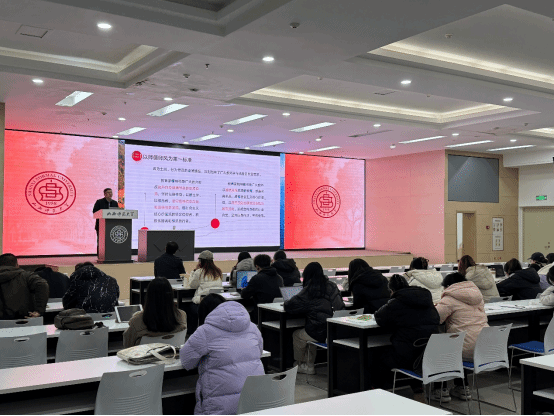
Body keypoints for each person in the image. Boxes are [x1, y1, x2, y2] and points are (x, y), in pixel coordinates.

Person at [180, 294, 264, 415]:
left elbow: (186, 361)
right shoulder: (252, 327)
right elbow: (259, 352)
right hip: (255, 402)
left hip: (220, 408)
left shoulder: (205, 331)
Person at [373, 275, 440, 391]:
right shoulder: (426, 298)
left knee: (379, 357)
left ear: (392, 290)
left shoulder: (397, 302)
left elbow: (380, 317)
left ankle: (376, 391)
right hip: (428, 353)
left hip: (407, 355)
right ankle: (417, 387)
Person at [434, 273, 488, 402]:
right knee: (461, 342)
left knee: (439, 348)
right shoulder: (478, 297)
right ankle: (462, 387)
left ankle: (441, 390)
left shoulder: (449, 299)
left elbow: (436, 318)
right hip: (485, 346)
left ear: (448, 286)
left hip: (465, 349)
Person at [284, 262, 345, 375]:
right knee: (310, 334)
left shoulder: (309, 289)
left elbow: (289, 305)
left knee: (298, 335)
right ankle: (309, 365)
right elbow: (340, 307)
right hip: (332, 330)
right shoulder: (332, 285)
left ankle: (300, 364)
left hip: (318, 331)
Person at [123, 277, 187, 348]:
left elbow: (127, 346)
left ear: (148, 296)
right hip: (172, 354)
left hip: (145, 354)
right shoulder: (182, 316)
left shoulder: (137, 321)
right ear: (171, 295)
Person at [0, 254, 49, 320]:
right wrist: (39, 310)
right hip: (24, 320)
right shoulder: (26, 276)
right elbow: (42, 284)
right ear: (17, 265)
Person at [241, 254, 284, 324]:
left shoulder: (257, 278)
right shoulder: (279, 278)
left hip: (261, 315)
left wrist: (243, 290)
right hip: (277, 314)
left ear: (257, 266)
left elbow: (244, 295)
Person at [92, 188, 120, 254]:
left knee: (111, 241)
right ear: (104, 194)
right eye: (108, 192)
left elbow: (117, 213)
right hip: (101, 226)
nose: (110, 194)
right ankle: (101, 255)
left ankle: (111, 254)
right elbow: (95, 212)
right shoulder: (99, 202)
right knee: (101, 241)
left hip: (112, 226)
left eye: (111, 192)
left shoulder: (115, 203)